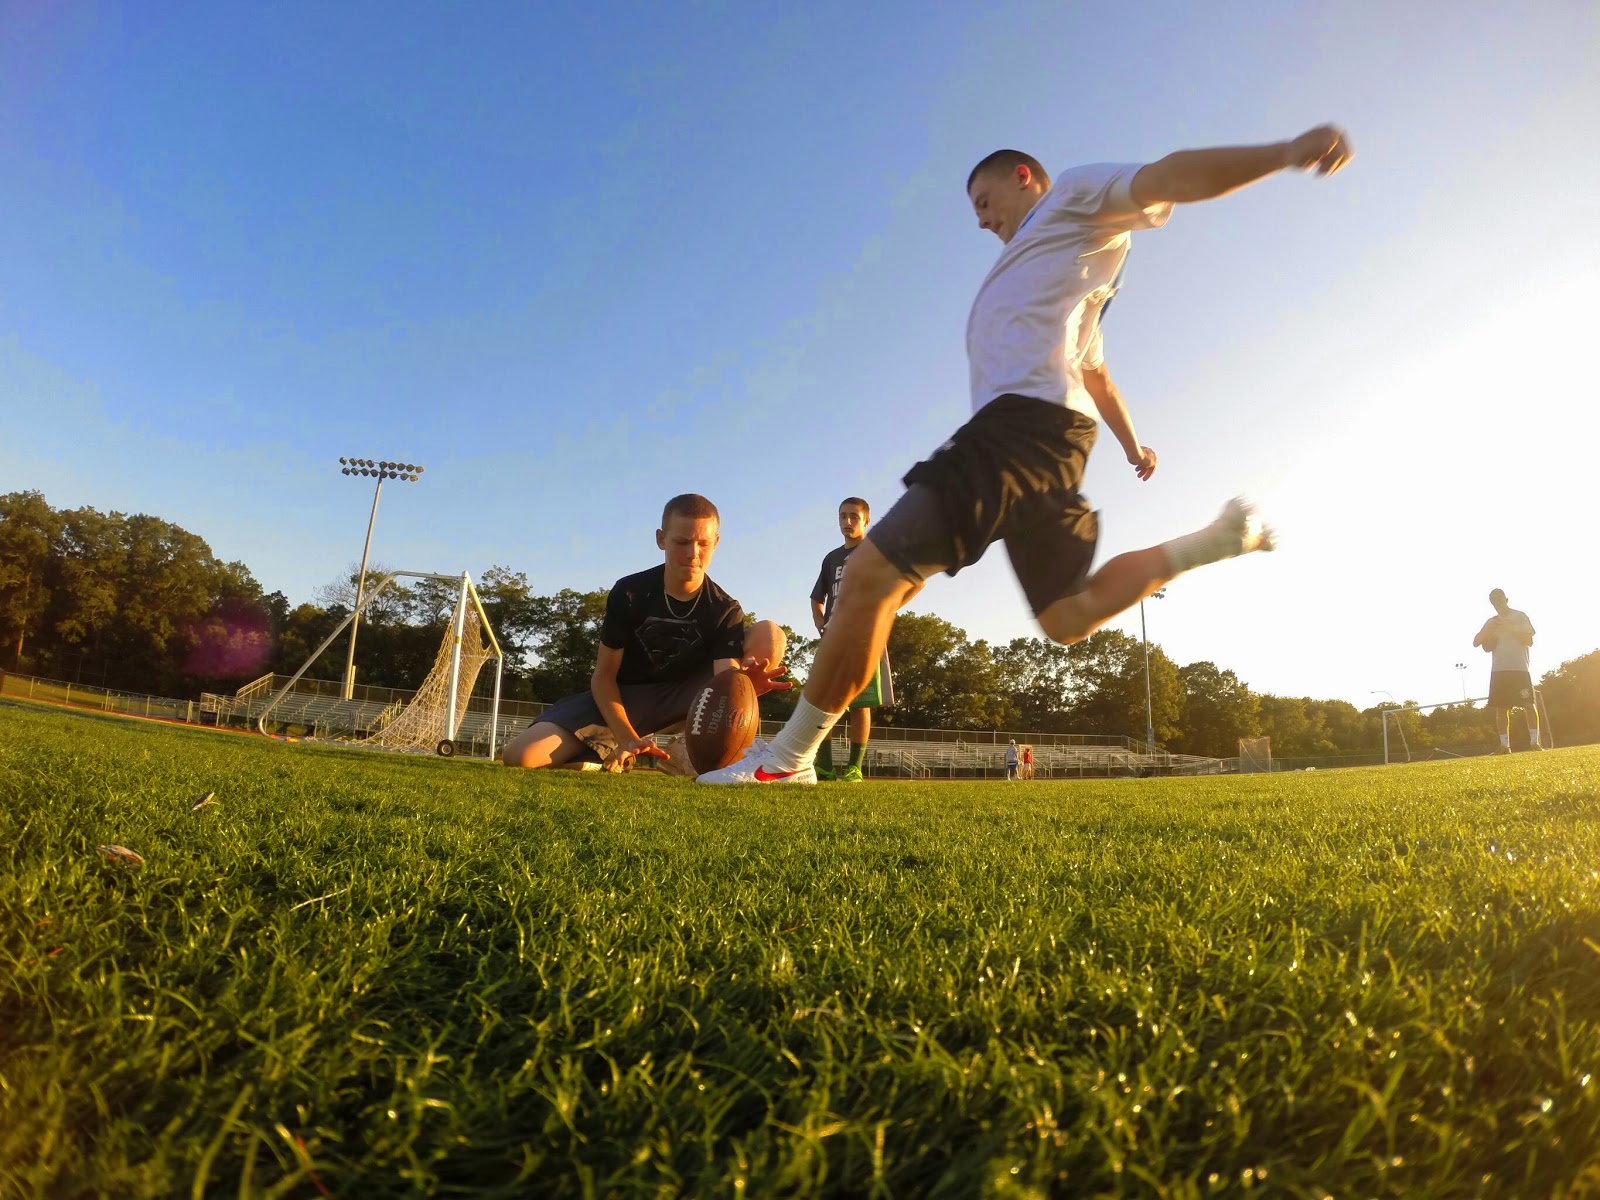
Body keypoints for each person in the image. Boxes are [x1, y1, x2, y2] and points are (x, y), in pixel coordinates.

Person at [700, 125, 1352, 785]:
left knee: (870, 576)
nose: (981, 221)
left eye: (984, 201)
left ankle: (785, 761)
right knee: (1066, 617)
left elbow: (1170, 175)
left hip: (1019, 429)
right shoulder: (1067, 282)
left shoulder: (1071, 194)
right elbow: (1096, 376)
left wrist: (1281, 153)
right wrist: (1133, 446)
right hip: (1054, 436)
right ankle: (1218, 540)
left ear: (1022, 178)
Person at [500, 494, 789, 771]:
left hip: (688, 699)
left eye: (703, 543)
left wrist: (743, 687)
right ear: (661, 539)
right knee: (521, 756)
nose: (693, 553)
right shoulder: (630, 593)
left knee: (770, 634)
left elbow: (724, 678)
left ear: (716, 543)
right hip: (624, 700)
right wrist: (626, 735)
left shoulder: (724, 609)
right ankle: (606, 752)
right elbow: (603, 677)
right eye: (682, 542)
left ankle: (692, 754)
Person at [808, 497, 898, 782]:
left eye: (854, 517)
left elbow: (903, 585)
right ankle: (824, 765)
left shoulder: (877, 552)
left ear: (866, 521)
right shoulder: (831, 558)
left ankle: (854, 768)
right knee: (824, 703)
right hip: (833, 638)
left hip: (865, 638)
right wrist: (821, 623)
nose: (847, 522)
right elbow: (816, 598)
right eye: (843, 516)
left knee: (861, 704)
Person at [1473, 588, 1541, 753]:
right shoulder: (1492, 621)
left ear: (1506, 599)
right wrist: (1489, 631)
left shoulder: (1519, 616)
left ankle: (1534, 743)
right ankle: (1504, 746)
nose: (1498, 603)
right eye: (1495, 601)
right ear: (1492, 603)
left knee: (1528, 705)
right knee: (1501, 708)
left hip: (1519, 668)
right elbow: (1476, 642)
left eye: (1500, 599)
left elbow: (1529, 638)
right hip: (1499, 670)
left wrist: (1509, 627)